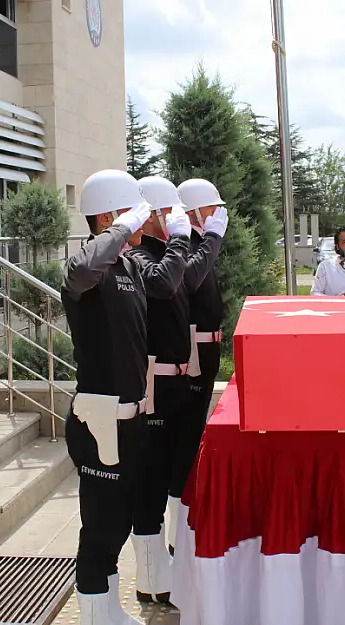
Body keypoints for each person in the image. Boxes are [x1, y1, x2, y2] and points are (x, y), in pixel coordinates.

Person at [62, 169, 160, 625]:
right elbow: (82, 270)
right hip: (100, 421)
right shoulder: (88, 269)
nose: (144, 220)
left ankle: (108, 608)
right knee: (101, 527)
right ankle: (96, 616)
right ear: (106, 217)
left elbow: (168, 280)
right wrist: (120, 229)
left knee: (121, 519)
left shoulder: (129, 266)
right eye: (133, 210)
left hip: (132, 418)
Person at [123, 176, 196, 605]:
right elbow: (165, 284)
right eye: (167, 214)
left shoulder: (162, 252)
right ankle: (150, 577)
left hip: (174, 380)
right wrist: (182, 243)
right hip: (154, 383)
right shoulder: (139, 256)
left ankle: (163, 566)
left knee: (169, 472)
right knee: (149, 480)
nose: (173, 222)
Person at [168, 178, 228, 553]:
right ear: (192, 211)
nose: (217, 215)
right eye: (211, 208)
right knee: (185, 441)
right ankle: (178, 530)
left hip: (203, 351)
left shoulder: (196, 245)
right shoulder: (189, 246)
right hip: (191, 353)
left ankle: (183, 521)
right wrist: (211, 241)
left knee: (192, 437)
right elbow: (189, 282)